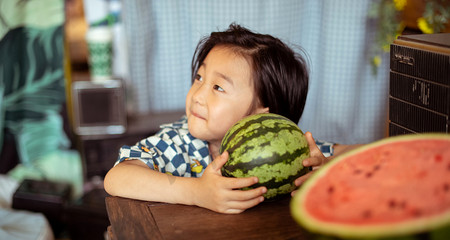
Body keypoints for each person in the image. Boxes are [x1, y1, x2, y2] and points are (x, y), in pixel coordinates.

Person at [104, 23, 354, 214]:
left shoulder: (287, 148)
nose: (197, 95)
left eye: (218, 87)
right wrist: (197, 193)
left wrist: (326, 167)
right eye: (199, 78)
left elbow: (365, 154)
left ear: (263, 117)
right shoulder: (181, 142)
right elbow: (117, 178)